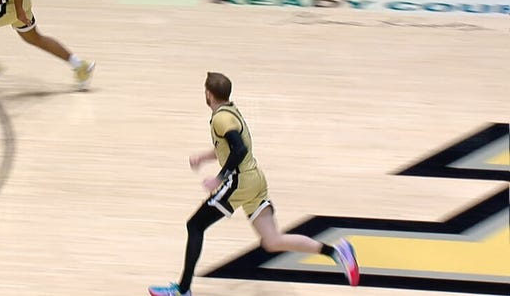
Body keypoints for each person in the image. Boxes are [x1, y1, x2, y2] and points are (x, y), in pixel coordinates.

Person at [147, 72, 359, 296]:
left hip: (240, 182)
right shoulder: (230, 111)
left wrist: (219, 178)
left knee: (195, 225)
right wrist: (204, 157)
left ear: (208, 93)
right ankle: (336, 252)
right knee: (273, 241)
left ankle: (183, 289)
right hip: (255, 179)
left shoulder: (221, 118)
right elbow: (229, 146)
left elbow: (239, 149)